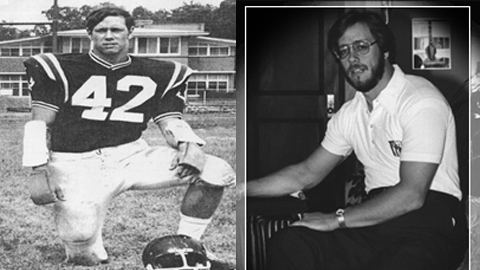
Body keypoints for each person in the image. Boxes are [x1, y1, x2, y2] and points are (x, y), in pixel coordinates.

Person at [246, 10, 466, 270]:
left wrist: (336, 219)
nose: (352, 57)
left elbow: (411, 195)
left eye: (361, 46)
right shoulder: (351, 114)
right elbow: (305, 174)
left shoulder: (420, 100)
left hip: (430, 220)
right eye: (344, 51)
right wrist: (239, 190)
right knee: (292, 242)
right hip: (378, 220)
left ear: (384, 50)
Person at [21, 5, 235, 266]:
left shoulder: (159, 72)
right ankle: (89, 234)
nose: (108, 35)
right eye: (101, 30)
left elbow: (170, 119)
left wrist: (188, 145)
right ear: (90, 34)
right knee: (82, 251)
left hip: (131, 154)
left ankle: (188, 246)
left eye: (116, 29)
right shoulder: (59, 67)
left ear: (130, 32)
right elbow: (39, 122)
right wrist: (38, 168)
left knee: (215, 171)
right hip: (74, 162)